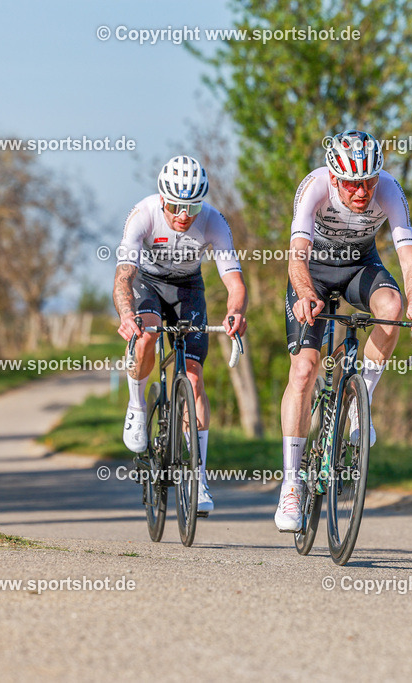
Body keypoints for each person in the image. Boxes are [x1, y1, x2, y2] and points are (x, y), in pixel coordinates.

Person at [275, 129, 412, 532]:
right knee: (304, 371)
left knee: (392, 306)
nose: (362, 192)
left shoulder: (390, 191)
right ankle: (292, 484)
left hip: (359, 267)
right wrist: (306, 294)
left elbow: (408, 259)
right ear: (333, 178)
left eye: (368, 181)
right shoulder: (313, 187)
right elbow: (296, 258)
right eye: (351, 183)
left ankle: (360, 404)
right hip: (312, 273)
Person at [114, 155, 247, 515]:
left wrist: (235, 312)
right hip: (148, 283)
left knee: (193, 375)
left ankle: (198, 478)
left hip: (189, 288)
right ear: (162, 199)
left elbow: (233, 280)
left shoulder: (213, 221)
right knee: (147, 337)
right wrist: (127, 315)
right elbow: (124, 275)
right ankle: (137, 407)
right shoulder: (143, 214)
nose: (183, 215)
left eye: (191, 207)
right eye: (175, 206)